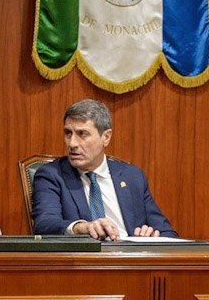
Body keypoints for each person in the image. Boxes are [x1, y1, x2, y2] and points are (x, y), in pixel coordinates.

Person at [31, 99, 176, 240]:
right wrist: (82, 227)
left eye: (82, 134)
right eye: (68, 133)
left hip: (131, 260)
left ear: (106, 137)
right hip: (83, 262)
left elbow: (168, 233)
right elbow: (45, 224)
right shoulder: (51, 175)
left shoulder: (132, 176)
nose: (72, 143)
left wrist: (152, 235)